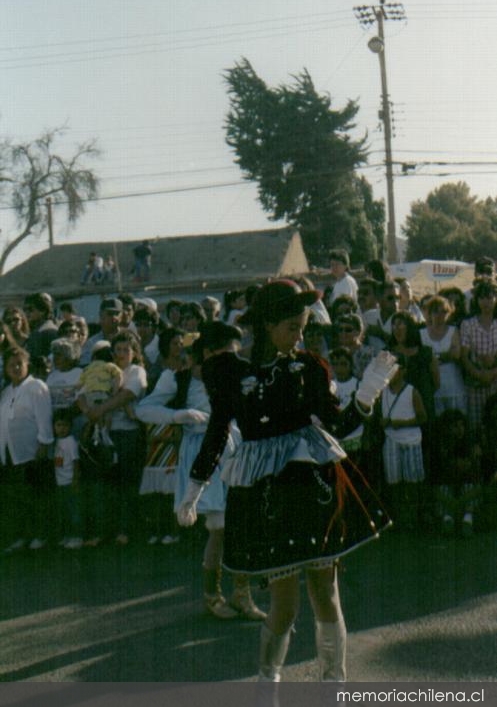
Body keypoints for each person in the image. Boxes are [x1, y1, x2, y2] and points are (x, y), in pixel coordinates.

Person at [177, 280, 396, 682]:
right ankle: (268, 681)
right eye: (292, 328)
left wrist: (366, 394)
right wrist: (195, 486)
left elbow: (338, 425)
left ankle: (334, 681)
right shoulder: (228, 371)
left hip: (312, 487)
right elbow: (218, 430)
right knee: (285, 604)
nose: (299, 337)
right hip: (267, 498)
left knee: (326, 595)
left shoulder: (308, 367)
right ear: (266, 325)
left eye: (302, 327)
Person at [137, 325, 265, 621]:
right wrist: (176, 415)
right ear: (205, 354)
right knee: (219, 527)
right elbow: (144, 409)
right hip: (201, 449)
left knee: (241, 522)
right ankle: (213, 595)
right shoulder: (177, 379)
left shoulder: (233, 375)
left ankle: (242, 594)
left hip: (234, 446)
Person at [84, 331, 147, 545]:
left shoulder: (137, 371)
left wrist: (99, 409)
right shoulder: (105, 371)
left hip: (128, 434)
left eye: (125, 350)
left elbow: (126, 396)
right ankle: (105, 531)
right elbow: (83, 393)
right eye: (117, 350)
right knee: (107, 485)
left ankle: (125, 530)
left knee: (127, 485)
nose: (121, 354)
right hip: (105, 434)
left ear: (134, 353)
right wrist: (91, 412)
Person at [0, 347, 54, 551]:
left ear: (26, 365)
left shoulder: (36, 387)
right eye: (11, 364)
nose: (15, 368)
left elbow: (44, 418)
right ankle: (22, 536)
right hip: (10, 453)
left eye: (19, 364)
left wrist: (43, 445)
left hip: (32, 452)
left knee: (35, 498)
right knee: (17, 498)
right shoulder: (7, 391)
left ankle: (40, 535)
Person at [380, 354, 427, 530]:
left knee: (412, 482)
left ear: (403, 371)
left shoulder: (411, 391)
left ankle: (413, 518)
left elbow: (423, 417)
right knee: (393, 481)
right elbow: (378, 414)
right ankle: (397, 518)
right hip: (390, 440)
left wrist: (401, 423)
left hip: (411, 441)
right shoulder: (382, 391)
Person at [431, 409, 480, 537]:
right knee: (444, 488)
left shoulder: (470, 447)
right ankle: (447, 521)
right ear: (446, 428)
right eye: (455, 426)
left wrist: (459, 502)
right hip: (446, 491)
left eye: (462, 425)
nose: (460, 430)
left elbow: (478, 484)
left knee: (469, 486)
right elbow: (434, 485)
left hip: (466, 492)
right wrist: (451, 501)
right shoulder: (439, 449)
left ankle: (467, 521)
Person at [460, 279, 497, 433]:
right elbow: (464, 356)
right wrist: (479, 374)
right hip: (475, 384)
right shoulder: (468, 324)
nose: (486, 302)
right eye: (482, 297)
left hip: (495, 382)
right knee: (476, 428)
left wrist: (491, 373)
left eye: (489, 297)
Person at [420, 296, 466, 415]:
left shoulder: (453, 330)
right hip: (433, 389)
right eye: (436, 311)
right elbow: (423, 359)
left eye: (444, 311)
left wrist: (434, 357)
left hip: (454, 388)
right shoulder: (421, 334)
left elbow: (456, 355)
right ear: (429, 313)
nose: (440, 315)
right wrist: (445, 356)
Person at [52, 409, 83, 549]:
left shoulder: (71, 442)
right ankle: (66, 535)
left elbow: (76, 461)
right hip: (60, 482)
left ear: (70, 426)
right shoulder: (56, 441)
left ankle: (77, 537)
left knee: (73, 511)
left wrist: (75, 480)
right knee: (63, 511)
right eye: (58, 425)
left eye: (64, 425)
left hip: (70, 482)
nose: (61, 428)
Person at [80, 298, 123, 366]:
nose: (114, 317)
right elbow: (84, 364)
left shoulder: (128, 337)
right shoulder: (92, 343)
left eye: (117, 313)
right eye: (110, 313)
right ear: (100, 315)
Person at [23, 293, 58, 360]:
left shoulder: (41, 332)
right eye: (25, 310)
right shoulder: (50, 328)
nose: (26, 313)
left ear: (43, 310)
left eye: (30, 309)